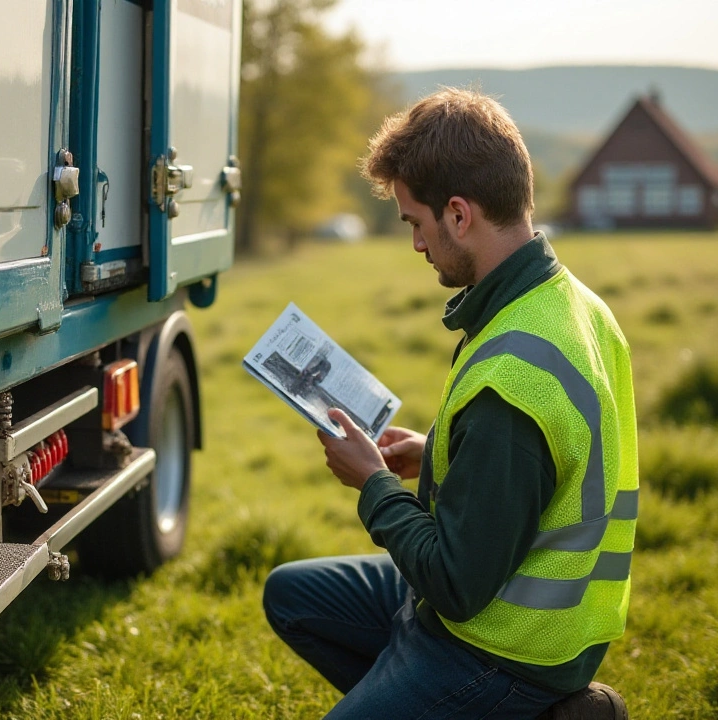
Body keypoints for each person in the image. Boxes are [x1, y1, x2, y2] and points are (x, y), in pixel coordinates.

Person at [262, 88, 638, 719]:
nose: (415, 243)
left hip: (500, 646)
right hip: (501, 604)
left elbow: (457, 585)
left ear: (459, 214)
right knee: (292, 597)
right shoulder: (569, 302)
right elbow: (528, 469)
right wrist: (432, 451)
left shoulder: (512, 385)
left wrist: (375, 486)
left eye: (415, 221)